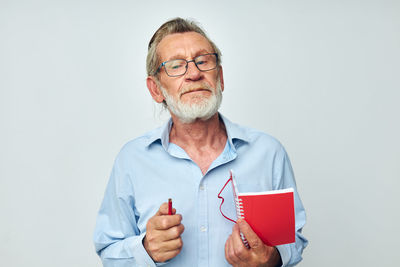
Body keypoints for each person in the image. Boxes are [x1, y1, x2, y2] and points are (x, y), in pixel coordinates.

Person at [93, 17, 308, 267]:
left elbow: (294, 240)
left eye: (203, 61)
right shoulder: (132, 159)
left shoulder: (268, 153)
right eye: (175, 66)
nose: (194, 73)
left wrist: (270, 259)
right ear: (156, 89)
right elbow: (109, 250)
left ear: (220, 77)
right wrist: (145, 249)